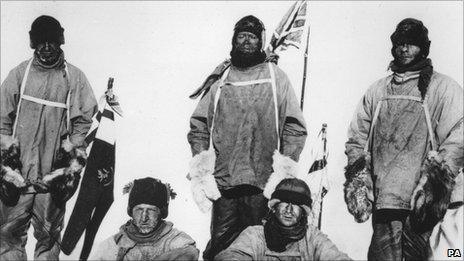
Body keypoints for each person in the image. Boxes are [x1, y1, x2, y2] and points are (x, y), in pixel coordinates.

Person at [187, 15, 307, 260]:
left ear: (260, 42)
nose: (246, 41)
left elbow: (293, 126)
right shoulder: (221, 78)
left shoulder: (276, 77)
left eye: (252, 37)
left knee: (261, 245)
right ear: (234, 40)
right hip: (225, 183)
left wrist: (284, 169)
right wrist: (202, 167)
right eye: (241, 36)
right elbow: (199, 124)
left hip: (262, 184)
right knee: (221, 248)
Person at [344, 18, 463, 260]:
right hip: (385, 200)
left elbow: (459, 134)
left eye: (412, 44)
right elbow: (357, 137)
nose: (404, 49)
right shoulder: (378, 91)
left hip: (427, 206)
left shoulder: (443, 88)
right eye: (400, 43)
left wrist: (437, 181)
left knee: (443, 256)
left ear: (423, 48)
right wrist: (359, 177)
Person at [0, 15, 98, 260]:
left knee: (49, 237)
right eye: (41, 42)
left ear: (60, 41)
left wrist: (67, 165)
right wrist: (7, 164)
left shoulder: (74, 78)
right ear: (33, 43)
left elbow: (83, 122)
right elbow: (1, 120)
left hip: (51, 177)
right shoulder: (19, 75)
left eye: (51, 41)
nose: (46, 47)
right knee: (9, 235)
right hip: (18, 174)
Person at [215, 178, 351, 260]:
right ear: (274, 207)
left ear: (303, 211)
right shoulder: (255, 235)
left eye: (296, 204)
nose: (289, 209)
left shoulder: (312, 237)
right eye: (285, 202)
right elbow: (232, 255)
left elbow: (333, 256)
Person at [90, 177, 199, 260]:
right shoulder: (115, 244)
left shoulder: (175, 240)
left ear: (162, 212)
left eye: (151, 210)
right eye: (139, 209)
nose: (144, 217)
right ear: (130, 211)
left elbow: (191, 253)